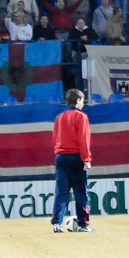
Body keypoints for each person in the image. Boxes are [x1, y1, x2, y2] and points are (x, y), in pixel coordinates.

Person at [51, 89, 93, 233]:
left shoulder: (59, 117)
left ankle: (57, 224)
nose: (83, 103)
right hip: (76, 157)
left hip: (61, 157)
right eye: (82, 100)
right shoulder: (81, 117)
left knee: (61, 192)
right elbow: (84, 139)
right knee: (81, 192)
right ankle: (83, 224)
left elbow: (55, 138)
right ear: (78, 100)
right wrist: (86, 159)